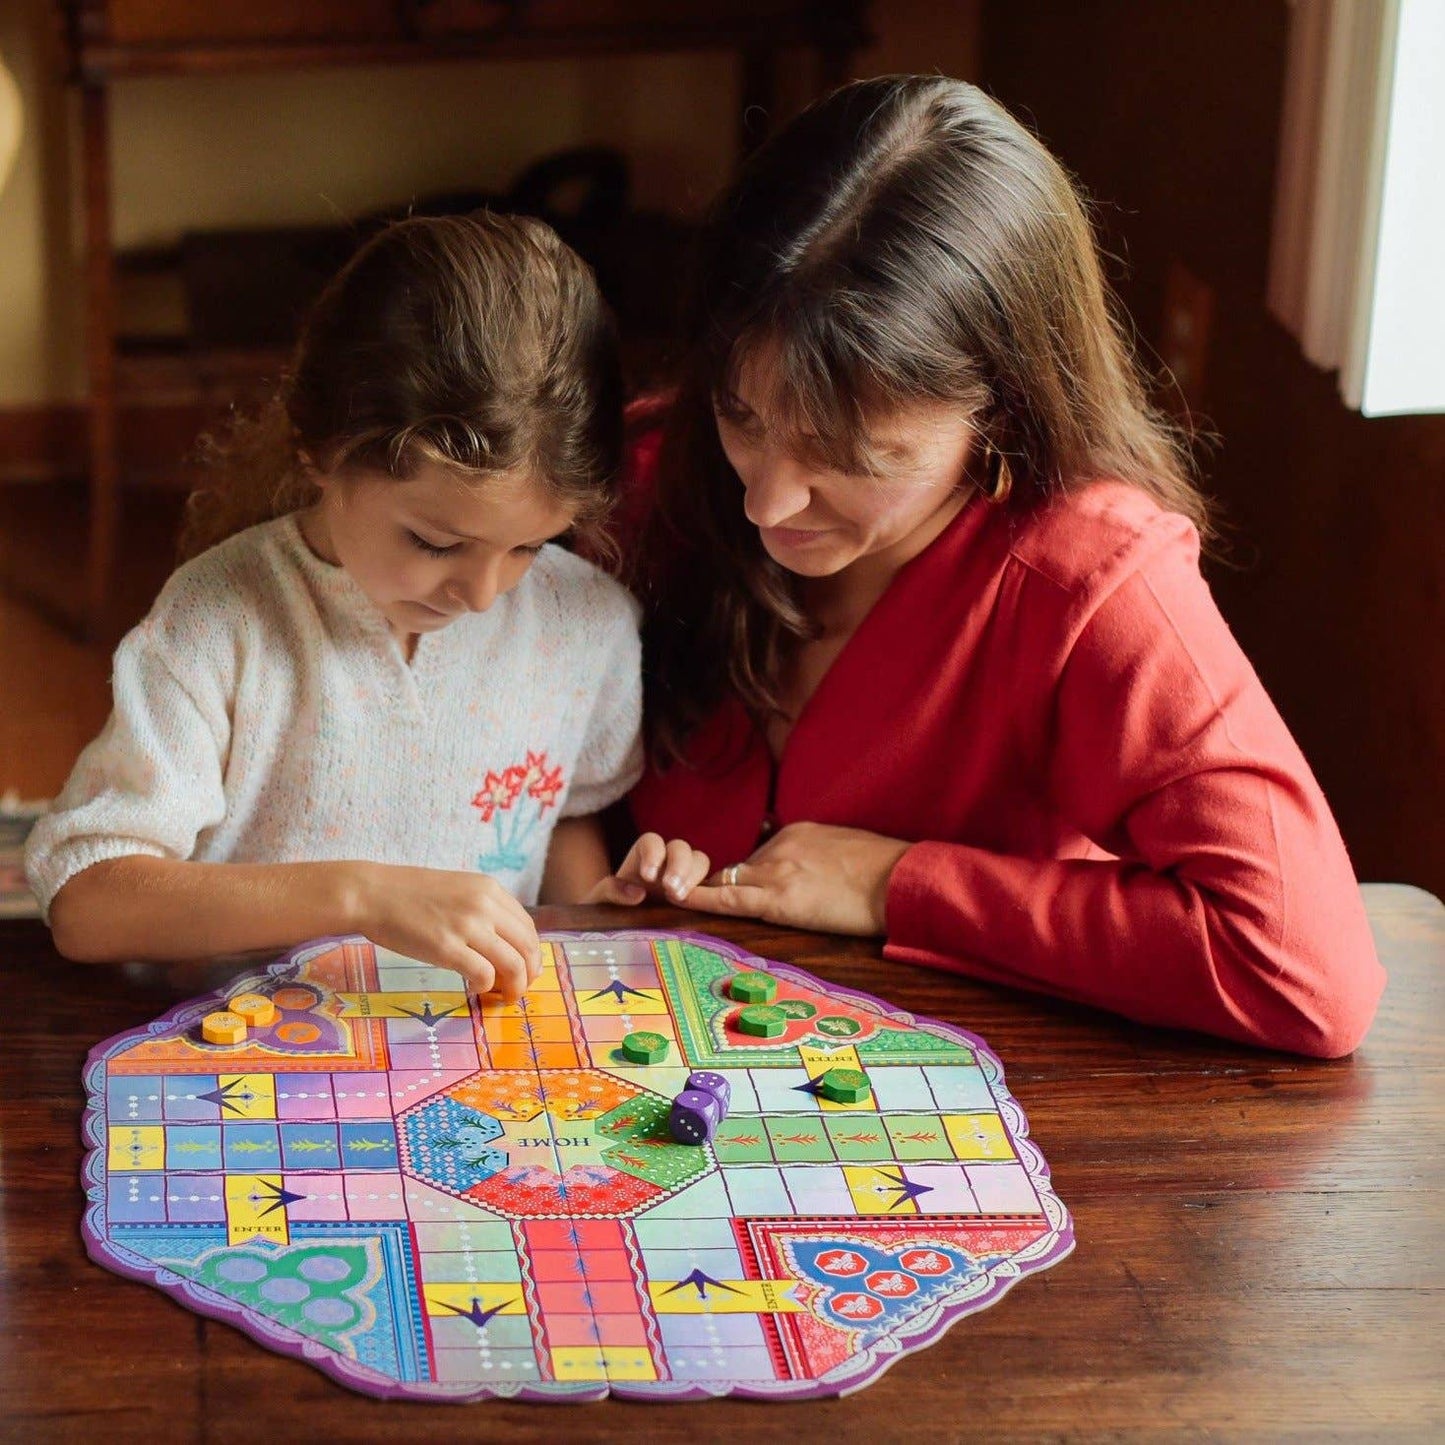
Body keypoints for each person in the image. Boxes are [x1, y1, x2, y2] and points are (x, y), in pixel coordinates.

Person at [626, 76, 1384, 1057]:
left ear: (1002, 409)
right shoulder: (645, 474)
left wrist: (899, 882)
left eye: (852, 456)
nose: (765, 501)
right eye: (741, 414)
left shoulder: (1086, 582)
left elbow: (1299, 965)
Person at [27, 212, 707, 997]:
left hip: (464, 1060)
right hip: (250, 1060)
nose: (483, 594)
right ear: (321, 450)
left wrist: (602, 911)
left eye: (528, 546)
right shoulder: (220, 621)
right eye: (434, 541)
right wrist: (363, 897)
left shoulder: (587, 624)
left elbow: (561, 820)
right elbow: (86, 901)